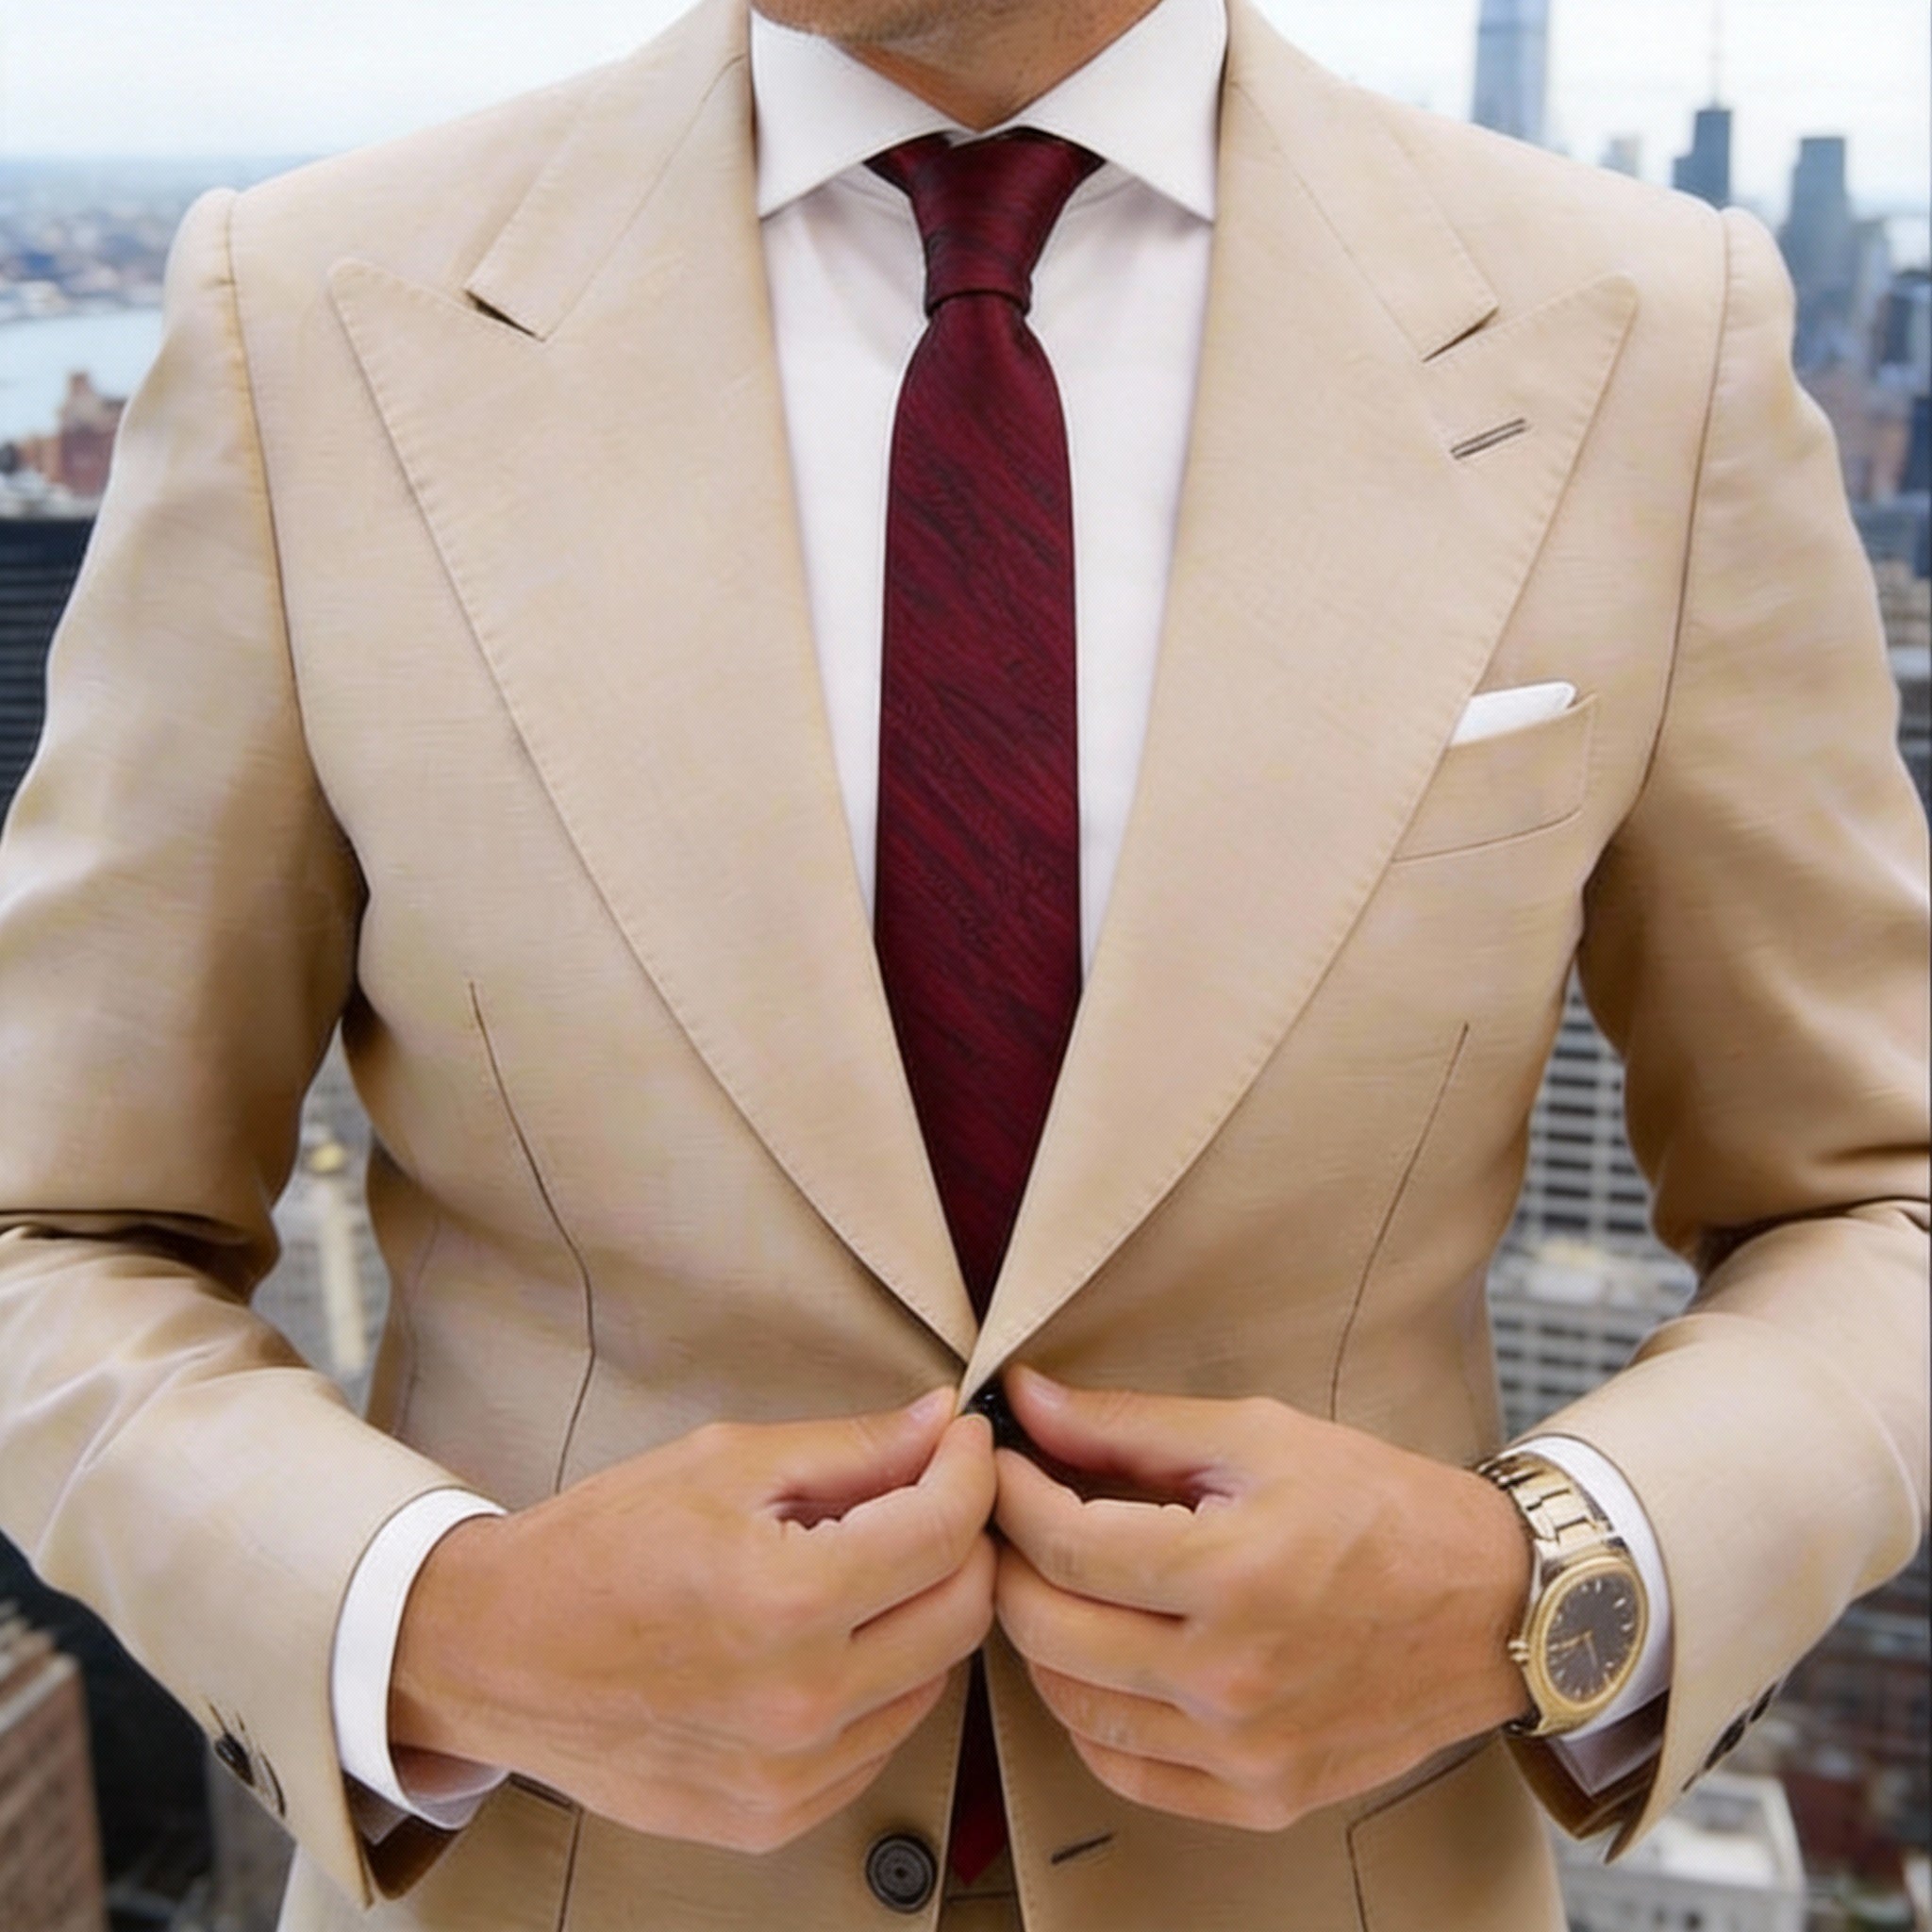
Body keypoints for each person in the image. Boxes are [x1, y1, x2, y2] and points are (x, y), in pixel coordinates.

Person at [0, 0, 1924, 1924]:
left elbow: (1879, 1200)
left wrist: (1544, 1588)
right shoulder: (311, 313)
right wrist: (443, 1624)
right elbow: (49, 1230)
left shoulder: (1645, 333)